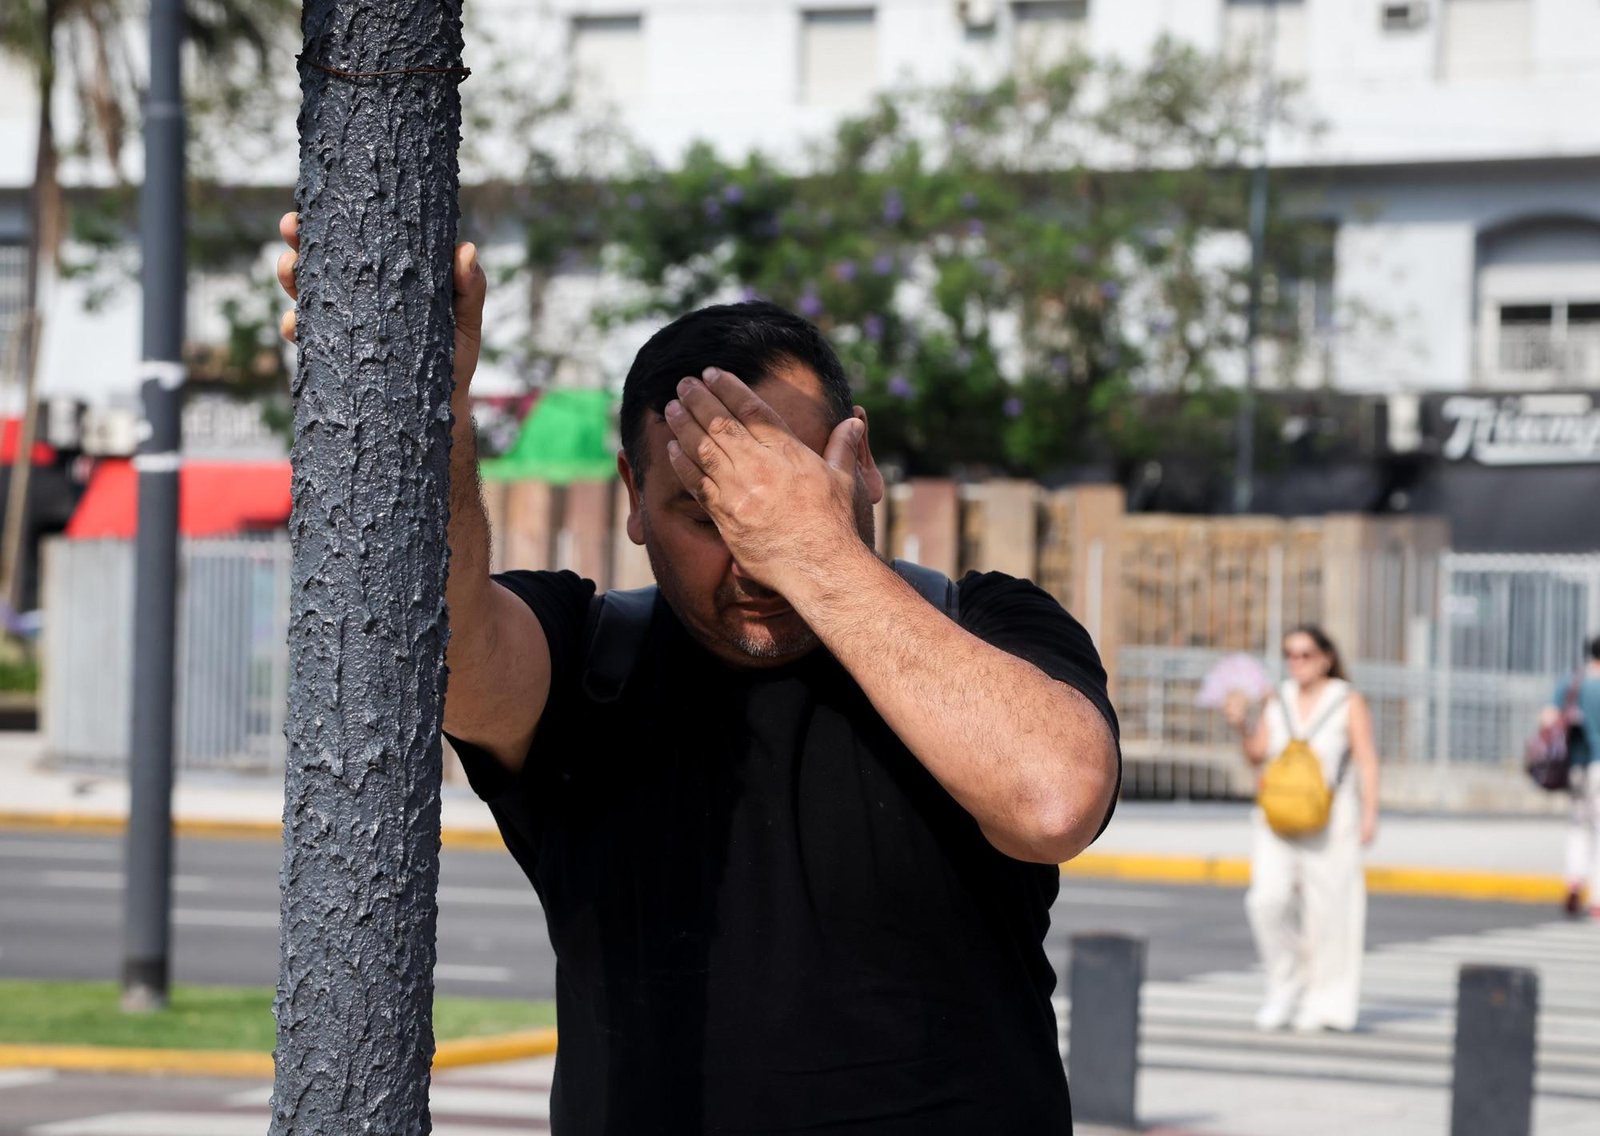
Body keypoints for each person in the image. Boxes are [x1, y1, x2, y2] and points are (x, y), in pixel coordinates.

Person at [275, 215, 1122, 1134]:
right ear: (635, 501)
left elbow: (1053, 801)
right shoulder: (588, 657)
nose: (754, 558)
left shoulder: (987, 624)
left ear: (861, 462)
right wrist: (423, 396)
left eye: (779, 496)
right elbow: (449, 658)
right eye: (707, 515)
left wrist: (813, 547)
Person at [1224, 626, 1379, 1033]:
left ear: (1327, 657)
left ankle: (1324, 1001)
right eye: (1290, 654)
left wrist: (1370, 814)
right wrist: (1241, 724)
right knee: (1266, 901)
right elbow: (1257, 755)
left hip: (1333, 819)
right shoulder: (1278, 698)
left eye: (1305, 654)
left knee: (1329, 915)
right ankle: (1285, 984)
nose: (1297, 662)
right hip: (1277, 817)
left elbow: (1367, 760)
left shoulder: (1347, 700)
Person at [1543, 636, 1600, 918]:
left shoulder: (1573, 682)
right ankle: (1597, 899)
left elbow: (1548, 718)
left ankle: (1574, 879)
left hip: (1577, 767)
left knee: (1578, 826)